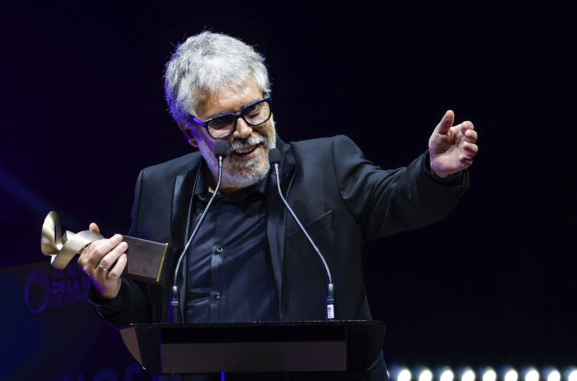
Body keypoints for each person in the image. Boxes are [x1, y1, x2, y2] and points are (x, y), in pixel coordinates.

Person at [77, 32, 478, 380]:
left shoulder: (327, 166)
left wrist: (433, 172)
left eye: (254, 110)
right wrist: (110, 290)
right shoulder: (160, 187)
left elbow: (399, 199)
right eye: (222, 122)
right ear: (188, 130)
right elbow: (147, 310)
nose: (246, 132)